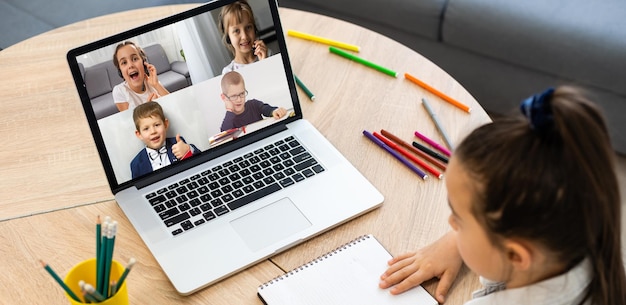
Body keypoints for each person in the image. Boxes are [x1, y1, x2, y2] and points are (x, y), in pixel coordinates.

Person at [379, 86, 626, 305]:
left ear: (515, 255)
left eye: (459, 220)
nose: (451, 224)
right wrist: (459, 240)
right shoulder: (588, 246)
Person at [130, 101, 199, 179]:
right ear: (139, 134)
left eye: (157, 125)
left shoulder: (178, 143)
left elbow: (200, 163)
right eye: (146, 129)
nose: (153, 131)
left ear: (165, 124)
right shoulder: (136, 164)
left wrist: (188, 149)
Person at [219, 71, 286, 131]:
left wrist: (274, 111)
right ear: (224, 98)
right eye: (234, 96)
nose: (239, 100)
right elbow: (224, 133)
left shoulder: (253, 104)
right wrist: (229, 111)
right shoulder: (229, 119)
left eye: (242, 93)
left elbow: (267, 109)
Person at [112, 41, 170, 112]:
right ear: (120, 70)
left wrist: (156, 84)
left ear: (143, 62)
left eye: (135, 59)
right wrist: (149, 108)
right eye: (124, 62)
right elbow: (130, 121)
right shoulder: (119, 91)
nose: (130, 65)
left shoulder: (153, 83)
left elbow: (174, 106)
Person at [219, 0, 269, 74]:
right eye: (236, 31)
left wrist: (265, 64)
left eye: (248, 27)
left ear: (254, 29)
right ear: (228, 37)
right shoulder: (228, 72)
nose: (244, 36)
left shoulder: (267, 55)